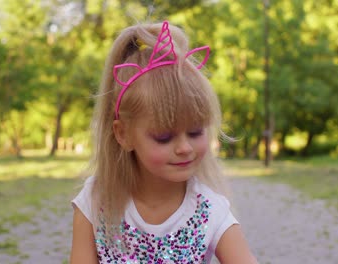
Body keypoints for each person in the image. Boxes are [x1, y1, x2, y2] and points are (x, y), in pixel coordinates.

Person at [70, 21, 257, 264]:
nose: (185, 148)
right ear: (123, 134)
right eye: (164, 137)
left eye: (196, 132)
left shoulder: (210, 211)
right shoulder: (96, 201)